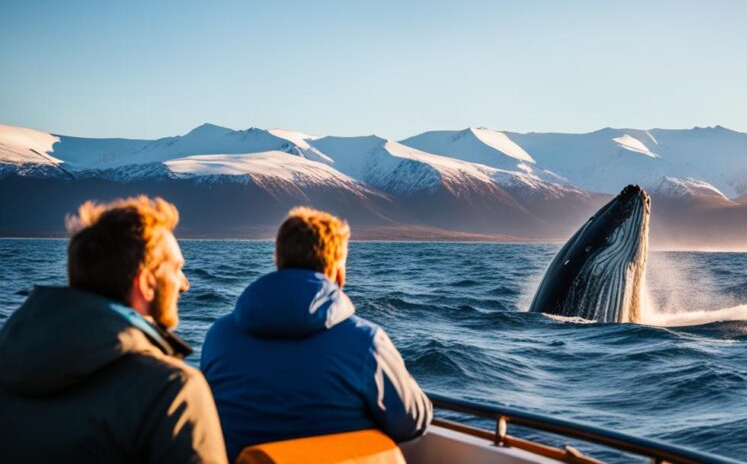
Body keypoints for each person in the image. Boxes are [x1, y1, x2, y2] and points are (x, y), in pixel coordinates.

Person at [0, 196, 228, 464]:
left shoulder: (9, 367)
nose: (184, 284)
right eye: (176, 269)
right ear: (146, 283)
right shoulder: (170, 390)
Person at [201, 207, 432, 461]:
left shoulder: (219, 337)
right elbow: (412, 421)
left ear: (278, 260)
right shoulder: (366, 342)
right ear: (337, 270)